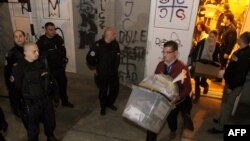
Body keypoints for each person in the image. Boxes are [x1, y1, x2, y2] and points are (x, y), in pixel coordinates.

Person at [11, 42, 60, 141]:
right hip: (31, 104)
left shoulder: (41, 63)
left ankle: (50, 137)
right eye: (34, 51)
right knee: (33, 129)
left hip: (46, 100)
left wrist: (55, 95)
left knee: (50, 121)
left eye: (38, 50)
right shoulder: (18, 68)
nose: (37, 53)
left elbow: (51, 80)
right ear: (26, 53)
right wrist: (16, 107)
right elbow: (14, 90)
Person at [146, 40, 192, 140]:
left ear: (175, 53)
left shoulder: (182, 68)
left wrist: (178, 97)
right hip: (161, 99)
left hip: (175, 101)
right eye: (163, 52)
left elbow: (188, 88)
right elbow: (155, 80)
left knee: (171, 119)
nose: (164, 55)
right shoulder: (160, 65)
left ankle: (173, 130)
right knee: (152, 124)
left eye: (167, 52)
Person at [208, 31, 250, 134]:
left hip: (234, 85)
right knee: (224, 103)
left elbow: (241, 74)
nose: (238, 38)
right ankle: (221, 119)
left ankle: (220, 127)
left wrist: (231, 87)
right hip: (230, 82)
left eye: (239, 37)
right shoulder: (241, 51)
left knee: (227, 105)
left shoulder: (245, 55)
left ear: (242, 39)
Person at [36, 22, 74, 108]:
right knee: (50, 88)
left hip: (59, 68)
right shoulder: (41, 42)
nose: (53, 31)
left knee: (63, 85)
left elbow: (63, 50)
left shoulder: (58, 38)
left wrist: (64, 60)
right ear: (45, 30)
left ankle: (65, 101)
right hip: (49, 69)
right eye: (50, 30)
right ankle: (53, 102)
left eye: (54, 29)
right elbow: (37, 56)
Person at [86, 27, 120, 116]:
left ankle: (109, 103)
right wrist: (97, 65)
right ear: (108, 35)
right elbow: (90, 58)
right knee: (103, 92)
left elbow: (118, 56)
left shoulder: (115, 44)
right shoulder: (97, 45)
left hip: (113, 73)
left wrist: (115, 67)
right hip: (103, 74)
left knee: (115, 90)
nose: (115, 35)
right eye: (114, 34)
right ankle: (103, 107)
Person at [190, 30, 221, 103]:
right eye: (210, 36)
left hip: (208, 65)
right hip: (199, 63)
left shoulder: (217, 46)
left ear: (216, 38)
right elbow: (195, 52)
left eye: (213, 37)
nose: (210, 38)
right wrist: (193, 62)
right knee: (197, 81)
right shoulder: (202, 42)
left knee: (203, 81)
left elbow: (216, 56)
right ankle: (197, 97)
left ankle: (205, 85)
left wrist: (218, 65)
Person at [4, 30, 26, 115]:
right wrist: (10, 86)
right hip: (18, 83)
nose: (18, 39)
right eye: (16, 37)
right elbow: (7, 73)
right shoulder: (11, 53)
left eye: (20, 36)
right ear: (13, 39)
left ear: (25, 37)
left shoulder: (31, 49)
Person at [215, 13, 237, 82]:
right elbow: (220, 35)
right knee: (219, 63)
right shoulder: (225, 27)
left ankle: (219, 78)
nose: (223, 19)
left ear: (228, 20)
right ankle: (217, 76)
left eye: (224, 18)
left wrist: (227, 53)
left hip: (225, 50)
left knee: (223, 64)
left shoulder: (232, 30)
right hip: (222, 48)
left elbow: (231, 43)